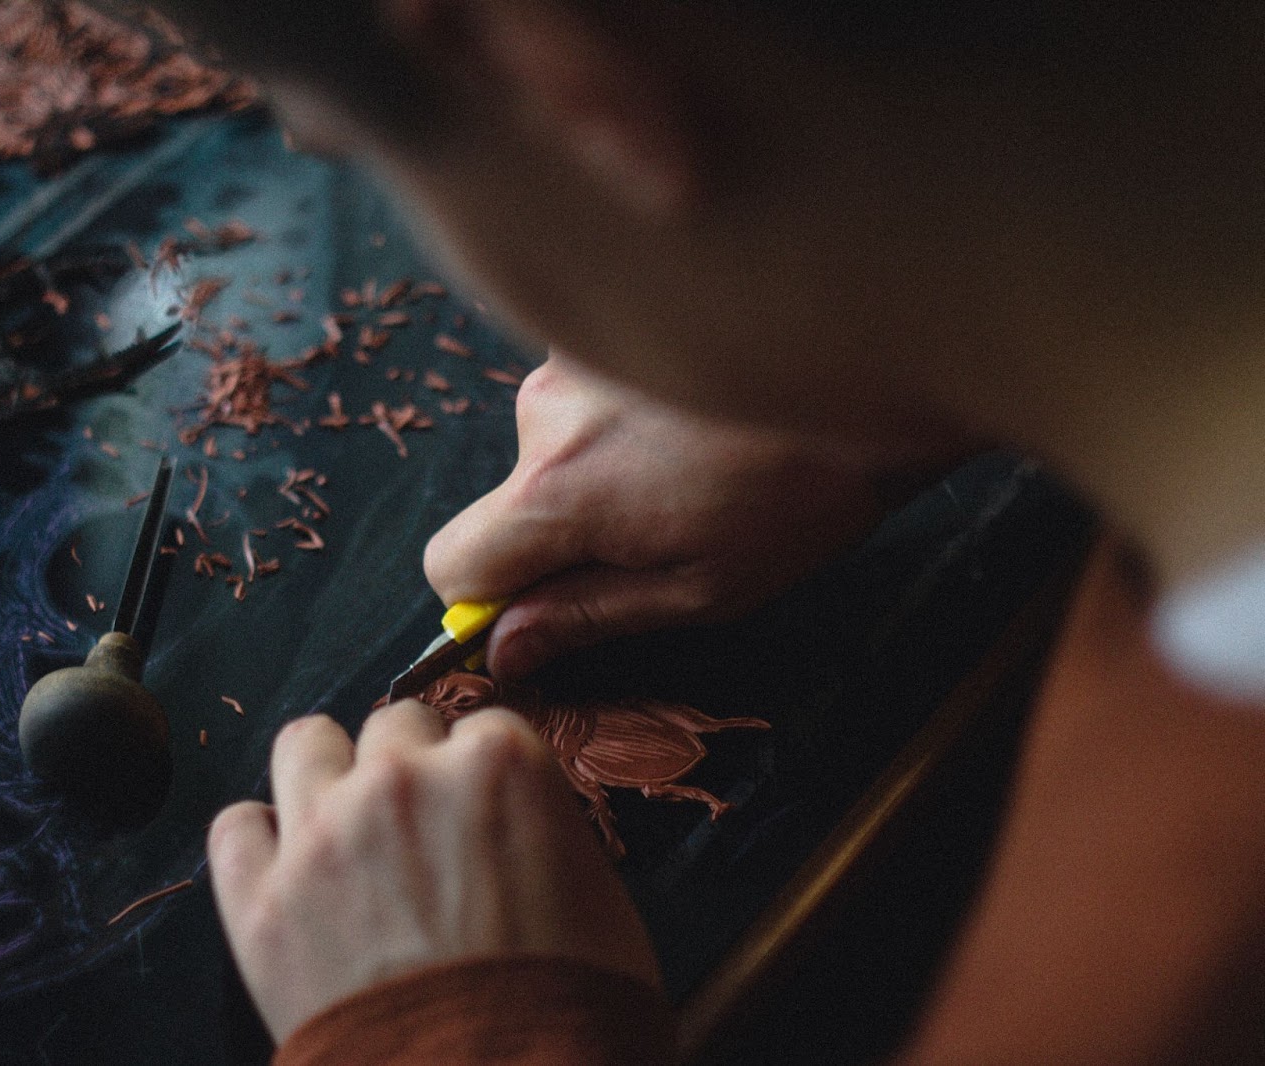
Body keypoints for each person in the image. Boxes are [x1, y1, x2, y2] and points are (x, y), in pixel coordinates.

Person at [152, 1, 1265, 1061]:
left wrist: (457, 1028)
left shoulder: (1158, 977)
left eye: (359, 155)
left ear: (557, 79)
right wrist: (901, 365)